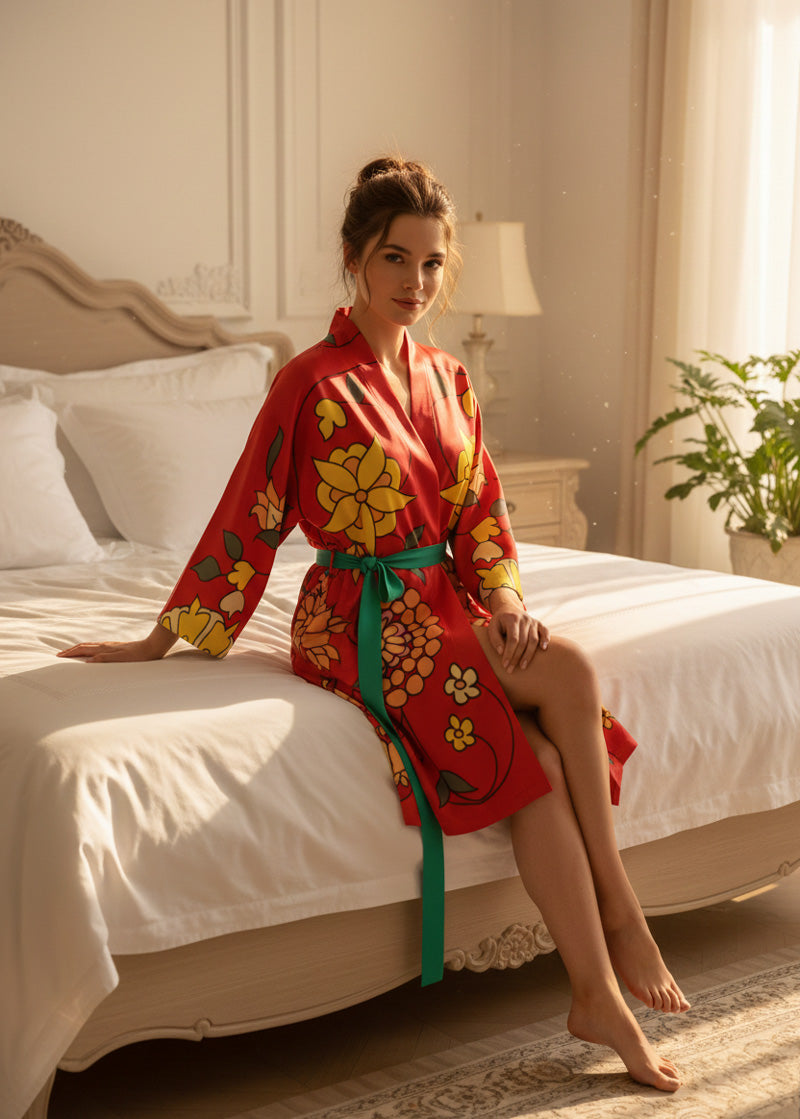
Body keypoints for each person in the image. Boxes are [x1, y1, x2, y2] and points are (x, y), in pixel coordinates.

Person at [60, 156, 688, 1092]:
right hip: (356, 613)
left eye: (433, 265)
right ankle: (620, 930)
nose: (416, 283)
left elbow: (481, 513)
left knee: (558, 721)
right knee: (560, 706)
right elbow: (248, 513)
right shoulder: (308, 383)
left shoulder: (449, 376)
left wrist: (508, 604)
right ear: (355, 258)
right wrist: (161, 638)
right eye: (397, 259)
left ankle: (598, 983)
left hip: (452, 599)